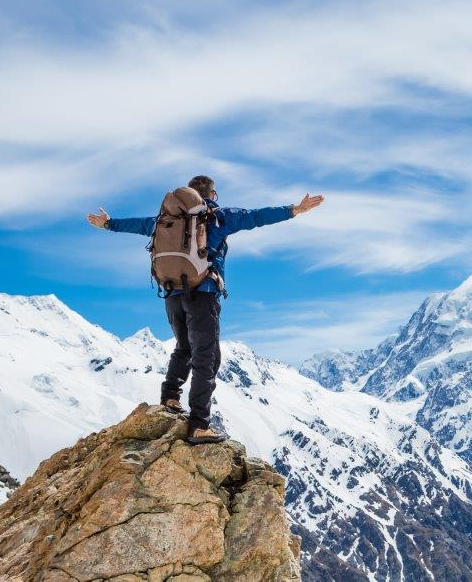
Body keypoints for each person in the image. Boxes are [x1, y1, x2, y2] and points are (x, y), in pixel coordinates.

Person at [87, 175, 323, 444]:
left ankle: (170, 398)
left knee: (183, 347)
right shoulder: (217, 216)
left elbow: (139, 225)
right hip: (203, 293)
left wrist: (108, 224)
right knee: (206, 357)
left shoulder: (166, 218)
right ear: (213, 194)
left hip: (171, 291)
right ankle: (199, 424)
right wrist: (294, 210)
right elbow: (255, 217)